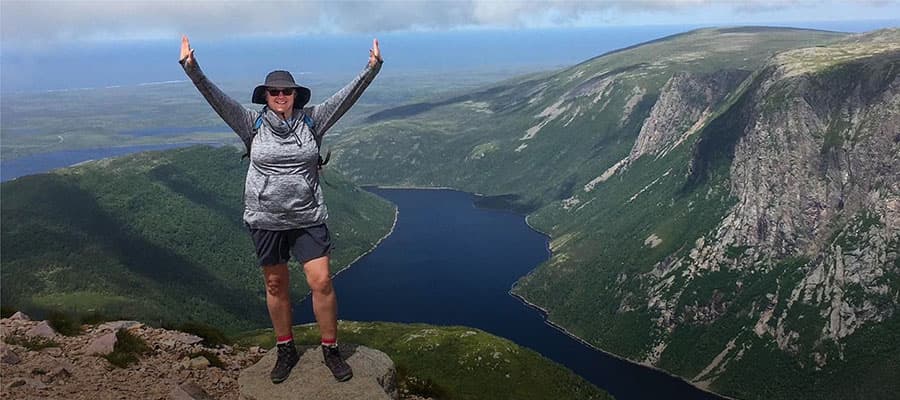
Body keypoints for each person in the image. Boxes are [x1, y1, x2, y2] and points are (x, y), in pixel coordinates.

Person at [179, 34, 382, 384]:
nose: (280, 97)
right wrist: (192, 68)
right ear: (265, 97)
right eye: (274, 92)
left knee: (321, 282)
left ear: (295, 95)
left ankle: (330, 350)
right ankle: (285, 349)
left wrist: (371, 68)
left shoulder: (313, 120)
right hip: (266, 219)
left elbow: (347, 98)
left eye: (286, 92)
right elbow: (216, 99)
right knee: (275, 285)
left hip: (307, 217)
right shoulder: (250, 123)